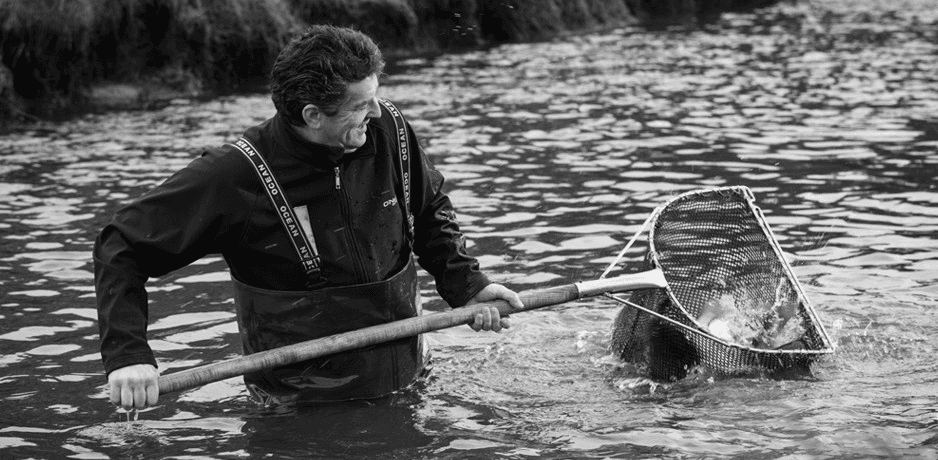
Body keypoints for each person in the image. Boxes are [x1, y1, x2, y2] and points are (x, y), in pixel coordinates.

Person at [94, 24, 523, 409]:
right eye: (361, 106)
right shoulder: (234, 176)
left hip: (408, 382)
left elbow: (428, 209)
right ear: (313, 116)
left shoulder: (387, 127)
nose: (376, 114)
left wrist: (468, 286)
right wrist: (128, 356)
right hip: (297, 408)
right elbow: (121, 245)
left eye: (376, 97)